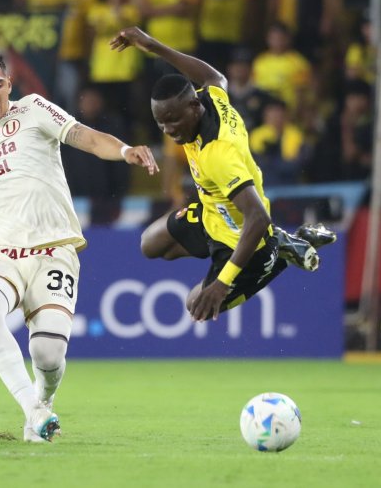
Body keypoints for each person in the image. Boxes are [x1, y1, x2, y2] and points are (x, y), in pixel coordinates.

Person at [0, 48, 157, 443]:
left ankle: (43, 400)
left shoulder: (33, 109)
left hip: (53, 250)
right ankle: (33, 410)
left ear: (9, 84)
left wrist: (124, 151)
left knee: (47, 356)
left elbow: (85, 137)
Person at [109, 27, 335, 322]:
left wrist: (222, 284)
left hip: (247, 242)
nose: (169, 130)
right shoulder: (211, 100)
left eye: (173, 120)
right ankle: (280, 242)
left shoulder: (218, 153)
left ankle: (280, 250)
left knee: (196, 306)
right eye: (161, 123)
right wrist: (152, 45)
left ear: (194, 107)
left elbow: (258, 217)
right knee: (150, 244)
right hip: (213, 214)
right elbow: (215, 78)